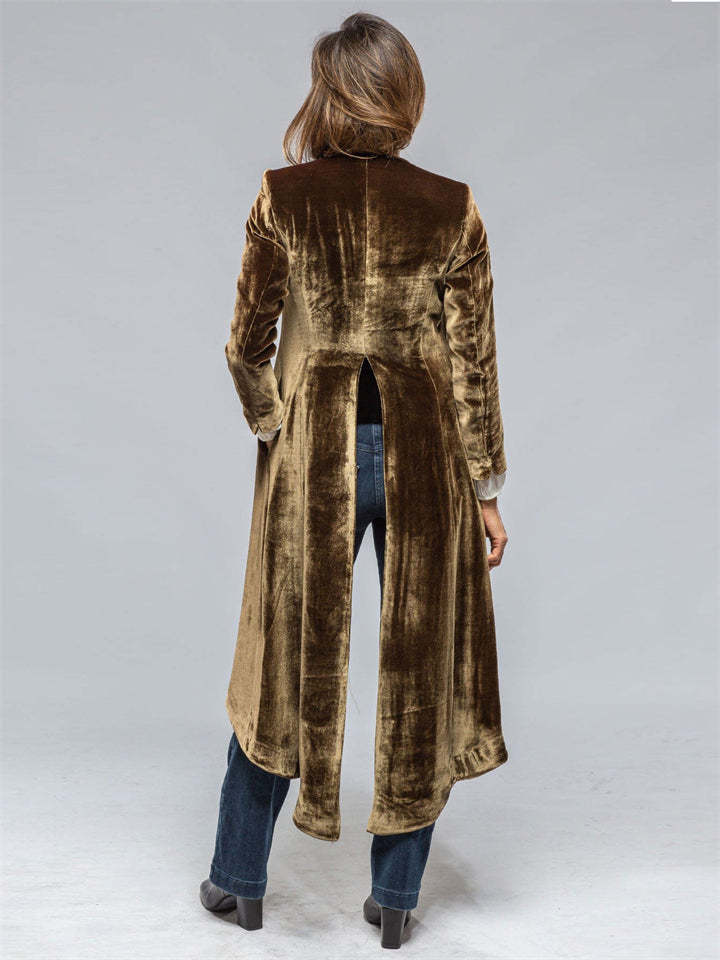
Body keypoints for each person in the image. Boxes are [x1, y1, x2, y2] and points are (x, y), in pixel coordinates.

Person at [200, 11, 510, 950]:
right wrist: (487, 489)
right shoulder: (451, 206)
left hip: (314, 461)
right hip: (424, 462)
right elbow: (474, 368)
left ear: (328, 94)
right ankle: (397, 900)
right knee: (421, 670)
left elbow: (246, 345)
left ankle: (239, 881)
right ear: (403, 94)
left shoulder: (283, 196)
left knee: (280, 663)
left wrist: (277, 424)